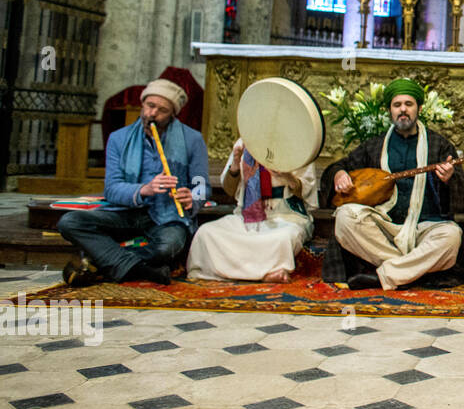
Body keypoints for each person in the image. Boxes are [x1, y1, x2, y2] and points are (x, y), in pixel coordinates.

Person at [319, 78, 464, 290]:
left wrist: (448, 180)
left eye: (408, 105)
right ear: (389, 111)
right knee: (346, 217)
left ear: (419, 108)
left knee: (451, 236)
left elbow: (463, 197)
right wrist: (339, 175)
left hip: (425, 227)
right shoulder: (375, 145)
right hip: (383, 228)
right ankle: (410, 272)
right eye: (397, 105)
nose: (403, 110)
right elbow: (340, 166)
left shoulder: (439, 145)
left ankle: (385, 275)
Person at [59, 77, 209, 287]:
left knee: (168, 247)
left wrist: (193, 198)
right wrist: (144, 189)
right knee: (69, 222)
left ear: (173, 114)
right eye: (149, 106)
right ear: (142, 104)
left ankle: (96, 260)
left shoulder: (192, 139)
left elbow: (202, 185)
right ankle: (144, 270)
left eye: (162, 110)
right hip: (123, 213)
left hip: (167, 216)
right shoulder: (118, 138)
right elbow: (111, 189)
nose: (152, 114)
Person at [185, 138, 317, 283]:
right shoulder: (246, 141)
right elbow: (230, 189)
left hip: (286, 216)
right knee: (206, 232)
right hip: (246, 216)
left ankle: (261, 273)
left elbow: (305, 192)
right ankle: (264, 273)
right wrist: (235, 163)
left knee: (283, 238)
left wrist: (286, 175)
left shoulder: (301, 142)